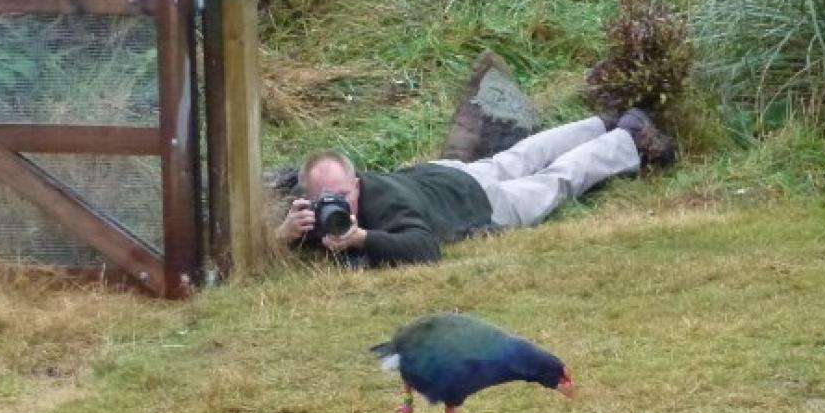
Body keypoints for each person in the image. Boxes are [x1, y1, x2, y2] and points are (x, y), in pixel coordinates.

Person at [275, 108, 675, 267]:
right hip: (441, 174)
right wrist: (286, 234)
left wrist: (364, 238)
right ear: (308, 198)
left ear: (357, 183)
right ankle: (596, 124)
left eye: (343, 196)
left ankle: (625, 139)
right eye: (324, 199)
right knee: (515, 159)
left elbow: (425, 248)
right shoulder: (312, 214)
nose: (335, 205)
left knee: (551, 183)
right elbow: (296, 238)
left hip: (474, 201)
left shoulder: (386, 205)